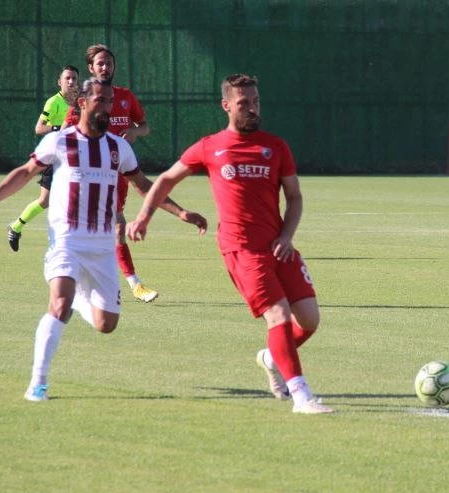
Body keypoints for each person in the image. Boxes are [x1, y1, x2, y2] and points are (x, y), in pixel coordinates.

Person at [0, 77, 207, 402]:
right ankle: (38, 383)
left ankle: (81, 297)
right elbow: (25, 172)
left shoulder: (117, 147)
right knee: (59, 304)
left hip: (102, 247)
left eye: (109, 101)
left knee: (106, 324)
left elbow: (144, 186)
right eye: (100, 100)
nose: (106, 107)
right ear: (81, 103)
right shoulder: (60, 141)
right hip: (66, 241)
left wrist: (180, 213)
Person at [126, 74, 334, 415]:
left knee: (309, 320)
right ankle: (302, 396)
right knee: (278, 315)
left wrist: (286, 236)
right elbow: (165, 178)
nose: (252, 109)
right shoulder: (210, 146)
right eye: (244, 103)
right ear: (226, 106)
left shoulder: (276, 146)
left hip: (278, 245)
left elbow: (294, 198)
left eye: (255, 102)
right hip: (241, 248)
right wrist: (145, 216)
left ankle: (271, 356)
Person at [65, 43, 158, 303]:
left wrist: (135, 132)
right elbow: (66, 132)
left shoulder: (126, 96)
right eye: (100, 64)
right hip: (90, 176)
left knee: (106, 230)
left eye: (109, 63)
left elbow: (145, 125)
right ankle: (134, 283)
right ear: (90, 68)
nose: (106, 68)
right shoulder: (84, 100)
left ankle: (84, 285)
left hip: (119, 174)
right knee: (116, 226)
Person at [7, 65, 79, 252]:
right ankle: (16, 227)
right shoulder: (53, 102)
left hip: (75, 158)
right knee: (44, 201)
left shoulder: (81, 102)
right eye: (67, 78)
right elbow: (39, 128)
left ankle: (73, 243)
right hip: (55, 157)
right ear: (60, 81)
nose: (71, 82)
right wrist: (59, 129)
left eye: (74, 79)